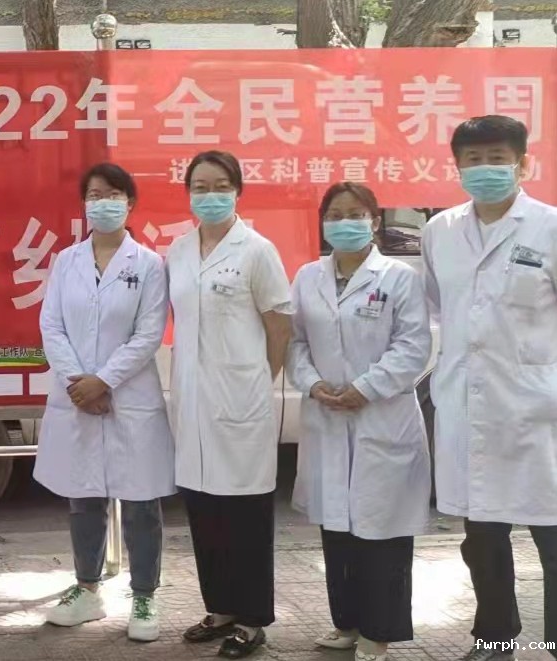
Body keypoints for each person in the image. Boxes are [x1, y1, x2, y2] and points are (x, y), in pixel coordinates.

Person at [422, 115, 557, 661]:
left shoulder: (549, 228)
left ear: (522, 163)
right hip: (467, 405)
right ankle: (495, 639)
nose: (485, 169)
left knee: (553, 536)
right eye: (473, 160)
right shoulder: (440, 231)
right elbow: (441, 305)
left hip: (539, 409)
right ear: (457, 167)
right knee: (482, 540)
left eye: (497, 158)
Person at [288, 182, 432, 661]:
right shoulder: (308, 276)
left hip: (381, 419)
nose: (344, 222)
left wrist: (365, 388)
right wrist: (313, 384)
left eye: (355, 213)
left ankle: (379, 631)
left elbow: (413, 345)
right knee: (338, 531)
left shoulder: (399, 277)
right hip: (328, 415)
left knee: (382, 535)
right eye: (334, 214)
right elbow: (296, 342)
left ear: (374, 221)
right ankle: (346, 623)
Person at [34, 163, 174, 642]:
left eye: (113, 194)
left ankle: (145, 596)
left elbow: (149, 333)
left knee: (140, 503)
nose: (103, 203)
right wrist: (79, 382)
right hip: (78, 396)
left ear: (129, 203)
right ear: (84, 204)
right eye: (94, 195)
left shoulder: (149, 264)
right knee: (84, 497)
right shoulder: (66, 261)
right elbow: (51, 325)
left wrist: (104, 381)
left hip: (128, 396)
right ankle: (87, 590)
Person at [167, 150, 293, 659]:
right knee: (204, 509)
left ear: (237, 191)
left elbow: (279, 327)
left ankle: (252, 619)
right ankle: (219, 608)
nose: (210, 195)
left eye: (221, 186)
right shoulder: (178, 250)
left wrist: (256, 381)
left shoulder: (257, 250)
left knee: (245, 514)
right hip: (194, 402)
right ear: (188, 194)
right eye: (200, 186)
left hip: (241, 402)